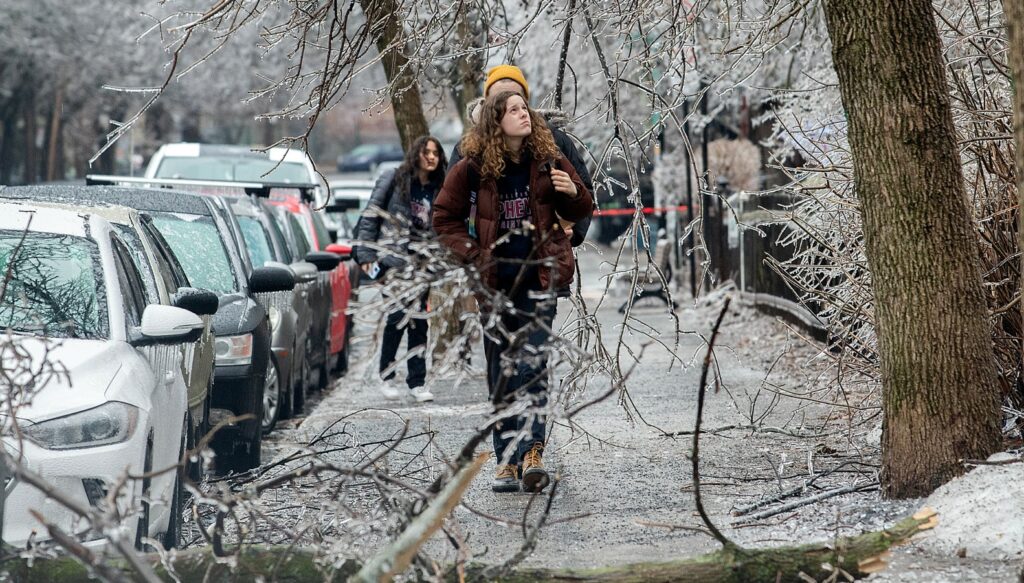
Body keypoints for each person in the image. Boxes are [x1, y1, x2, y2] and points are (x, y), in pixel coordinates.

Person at [433, 91, 594, 493]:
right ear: (495, 121)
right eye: (515, 110)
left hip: (541, 279)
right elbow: (443, 217)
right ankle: (506, 457)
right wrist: (471, 253)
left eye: (525, 108)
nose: (525, 115)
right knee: (502, 369)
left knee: (533, 363)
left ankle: (532, 452)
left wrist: (572, 195)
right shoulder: (471, 167)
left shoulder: (549, 159)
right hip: (495, 285)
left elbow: (583, 207)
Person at [449, 64, 595, 249]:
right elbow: (448, 210)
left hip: (542, 266)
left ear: (525, 101)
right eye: (499, 100)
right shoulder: (468, 149)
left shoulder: (553, 140)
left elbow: (584, 192)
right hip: (489, 267)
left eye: (514, 97)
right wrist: (467, 251)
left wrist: (572, 231)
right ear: (486, 104)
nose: (507, 102)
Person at [354, 136, 447, 403]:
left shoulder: (440, 187)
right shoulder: (394, 179)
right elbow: (371, 216)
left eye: (436, 153)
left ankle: (417, 382)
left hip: (423, 264)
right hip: (393, 261)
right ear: (415, 154)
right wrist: (367, 256)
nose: (431, 157)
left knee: (419, 321)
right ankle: (387, 375)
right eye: (426, 152)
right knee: (396, 317)